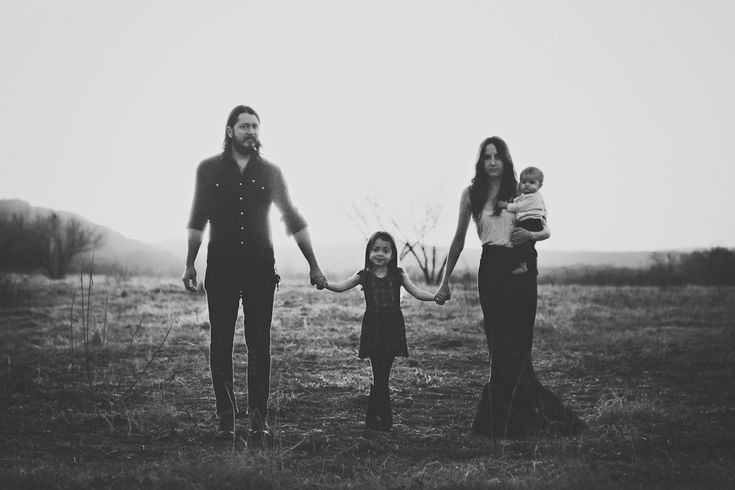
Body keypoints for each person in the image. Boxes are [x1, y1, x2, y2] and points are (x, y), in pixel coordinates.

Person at [182, 105, 327, 440]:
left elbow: (293, 218)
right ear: (230, 131)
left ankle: (258, 419)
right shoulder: (208, 170)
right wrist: (191, 262)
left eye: (256, 126)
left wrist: (314, 264)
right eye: (244, 126)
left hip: (261, 270)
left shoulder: (271, 172)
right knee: (220, 344)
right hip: (220, 270)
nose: (251, 131)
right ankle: (225, 418)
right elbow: (197, 218)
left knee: (259, 345)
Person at [435, 137, 584, 438]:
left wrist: (529, 238)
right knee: (498, 346)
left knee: (518, 349)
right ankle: (505, 421)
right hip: (490, 269)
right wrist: (445, 279)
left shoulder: (521, 190)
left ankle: (505, 421)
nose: (492, 161)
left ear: (505, 160)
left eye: (497, 156)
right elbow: (459, 239)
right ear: (480, 161)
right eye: (487, 156)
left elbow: (546, 228)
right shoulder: (470, 194)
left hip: (521, 268)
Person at [324, 231, 437, 431]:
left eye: (385, 250)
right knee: (380, 375)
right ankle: (382, 421)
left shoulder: (398, 274)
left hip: (392, 328)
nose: (380, 254)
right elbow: (341, 286)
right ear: (369, 252)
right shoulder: (363, 276)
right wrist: (324, 283)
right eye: (376, 249)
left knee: (383, 375)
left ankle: (376, 420)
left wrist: (435, 297)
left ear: (393, 254)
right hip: (373, 329)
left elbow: (417, 292)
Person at [496, 166, 547, 275]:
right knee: (527, 245)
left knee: (521, 242)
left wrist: (506, 205)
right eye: (524, 182)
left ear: (540, 185)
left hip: (531, 222)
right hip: (530, 221)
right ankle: (528, 265)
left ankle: (523, 265)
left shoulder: (533, 197)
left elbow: (519, 206)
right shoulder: (528, 196)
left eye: (532, 182)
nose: (527, 184)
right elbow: (518, 201)